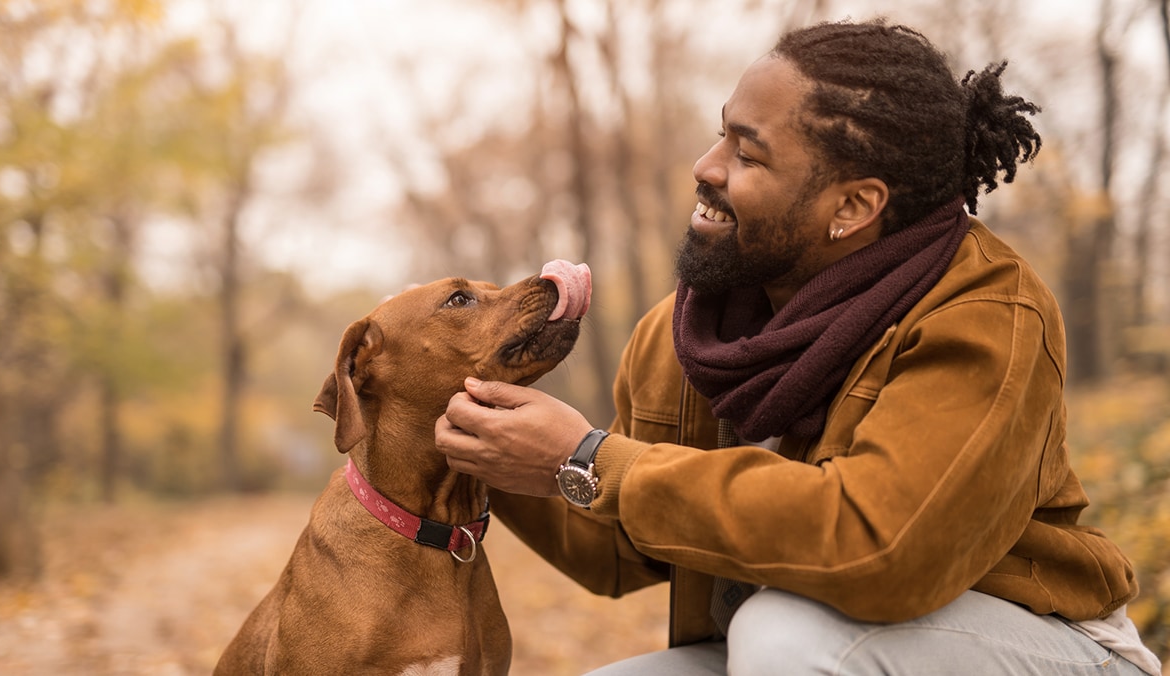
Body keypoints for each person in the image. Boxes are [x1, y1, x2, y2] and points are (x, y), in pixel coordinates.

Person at [435, 18, 1163, 676]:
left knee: (787, 637)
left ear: (852, 206)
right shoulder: (688, 335)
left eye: (747, 155)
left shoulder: (983, 316)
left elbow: (881, 546)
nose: (706, 165)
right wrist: (490, 446)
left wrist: (591, 458)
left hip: (1042, 647)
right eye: (722, 133)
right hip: (785, 649)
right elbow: (622, 550)